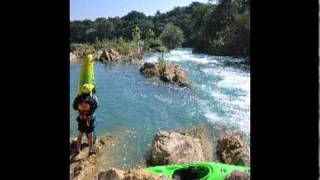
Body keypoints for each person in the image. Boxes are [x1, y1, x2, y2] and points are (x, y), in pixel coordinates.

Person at [73, 83, 99, 155]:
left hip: (81, 119)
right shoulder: (91, 100)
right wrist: (92, 96)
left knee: (80, 135)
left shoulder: (78, 100)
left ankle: (78, 150)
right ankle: (90, 150)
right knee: (90, 135)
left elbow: (74, 107)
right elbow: (96, 106)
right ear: (90, 91)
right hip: (89, 120)